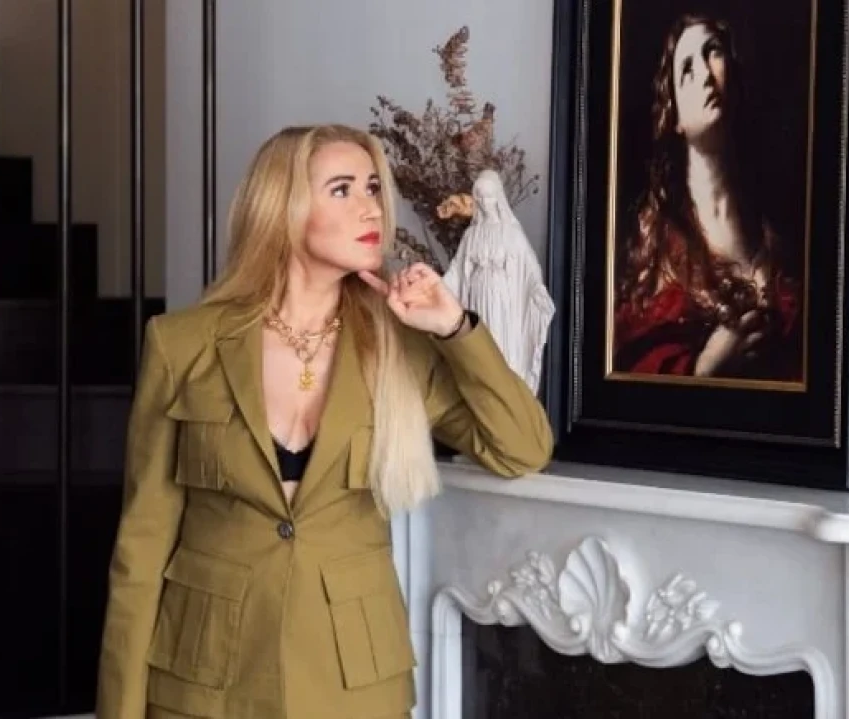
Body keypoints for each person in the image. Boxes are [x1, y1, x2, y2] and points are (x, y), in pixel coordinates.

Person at [95, 124, 553, 719]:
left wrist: (454, 328)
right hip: (205, 681)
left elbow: (522, 448)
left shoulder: (399, 347)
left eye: (373, 187)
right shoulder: (182, 345)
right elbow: (141, 546)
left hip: (352, 683)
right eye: (342, 189)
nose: (371, 207)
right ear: (282, 208)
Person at [613, 13, 802, 382]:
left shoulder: (781, 237)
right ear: (675, 117)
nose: (703, 73)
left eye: (712, 51)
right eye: (686, 69)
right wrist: (707, 368)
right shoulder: (657, 251)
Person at [441, 169, 555, 392]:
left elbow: (529, 267)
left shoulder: (511, 233)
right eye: (480, 197)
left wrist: (536, 290)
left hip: (501, 299)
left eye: (489, 196)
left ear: (498, 197)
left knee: (501, 341)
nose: (484, 202)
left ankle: (504, 389)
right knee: (478, 344)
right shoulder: (471, 235)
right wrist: (439, 289)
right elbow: (457, 270)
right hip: (477, 295)